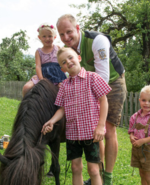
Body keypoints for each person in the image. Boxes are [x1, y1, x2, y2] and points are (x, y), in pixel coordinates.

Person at [56, 14, 127, 185]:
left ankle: (107, 177)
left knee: (107, 129)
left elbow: (102, 77)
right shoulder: (70, 50)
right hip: (88, 85)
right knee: (93, 130)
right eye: (62, 35)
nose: (66, 38)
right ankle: (98, 173)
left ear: (78, 28)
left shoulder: (98, 41)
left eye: (69, 32)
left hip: (113, 81)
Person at [41, 47, 112, 185]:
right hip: (72, 135)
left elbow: (104, 101)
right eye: (63, 62)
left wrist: (101, 126)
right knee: (75, 168)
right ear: (63, 69)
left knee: (94, 169)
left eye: (70, 57)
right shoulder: (64, 86)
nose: (68, 62)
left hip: (92, 133)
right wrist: (51, 121)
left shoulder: (93, 78)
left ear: (78, 58)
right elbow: (62, 109)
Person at [22, 23, 67, 97]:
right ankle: (26, 106)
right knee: (27, 88)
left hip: (58, 76)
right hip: (43, 76)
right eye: (44, 36)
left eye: (50, 36)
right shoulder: (39, 51)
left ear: (55, 37)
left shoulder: (58, 48)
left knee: (62, 90)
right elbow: (38, 66)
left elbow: (64, 62)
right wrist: (41, 79)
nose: (47, 39)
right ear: (39, 37)